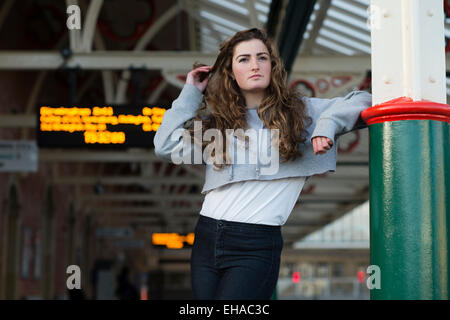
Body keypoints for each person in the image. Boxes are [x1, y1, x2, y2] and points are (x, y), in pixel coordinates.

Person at [154, 28, 372, 300]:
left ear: (273, 66)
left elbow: (364, 100)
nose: (255, 65)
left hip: (255, 244)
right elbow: (165, 146)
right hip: (207, 236)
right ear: (231, 72)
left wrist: (326, 127)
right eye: (244, 59)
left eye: (262, 57)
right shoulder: (219, 124)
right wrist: (190, 93)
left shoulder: (303, 113)